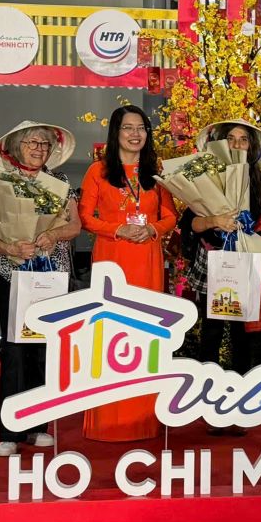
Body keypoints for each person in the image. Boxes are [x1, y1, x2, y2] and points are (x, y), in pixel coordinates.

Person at [0, 121, 81, 458]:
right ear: (15, 147)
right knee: (14, 350)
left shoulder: (60, 182)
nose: (39, 149)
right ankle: (9, 430)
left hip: (51, 276)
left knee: (44, 350)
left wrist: (53, 235)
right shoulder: (0, 182)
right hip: (12, 276)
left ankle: (39, 425)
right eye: (32, 143)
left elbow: (75, 225)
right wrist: (10, 248)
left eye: (45, 144)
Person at [78, 105, 176, 442]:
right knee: (110, 332)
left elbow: (170, 217)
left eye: (141, 128)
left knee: (146, 333)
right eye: (128, 128)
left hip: (147, 259)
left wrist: (152, 229)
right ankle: (107, 419)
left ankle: (143, 419)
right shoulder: (98, 171)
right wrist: (117, 229)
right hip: (112, 258)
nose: (135, 134)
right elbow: (85, 217)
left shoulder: (156, 173)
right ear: (115, 133)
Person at [179, 120, 261, 434]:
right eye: (232, 139)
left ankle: (237, 406)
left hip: (246, 262)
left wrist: (250, 227)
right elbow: (189, 224)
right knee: (211, 335)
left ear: (251, 147)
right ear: (220, 144)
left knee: (243, 337)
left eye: (243, 140)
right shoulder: (204, 176)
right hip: (213, 262)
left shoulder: (259, 179)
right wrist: (215, 220)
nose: (237, 145)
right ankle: (209, 406)